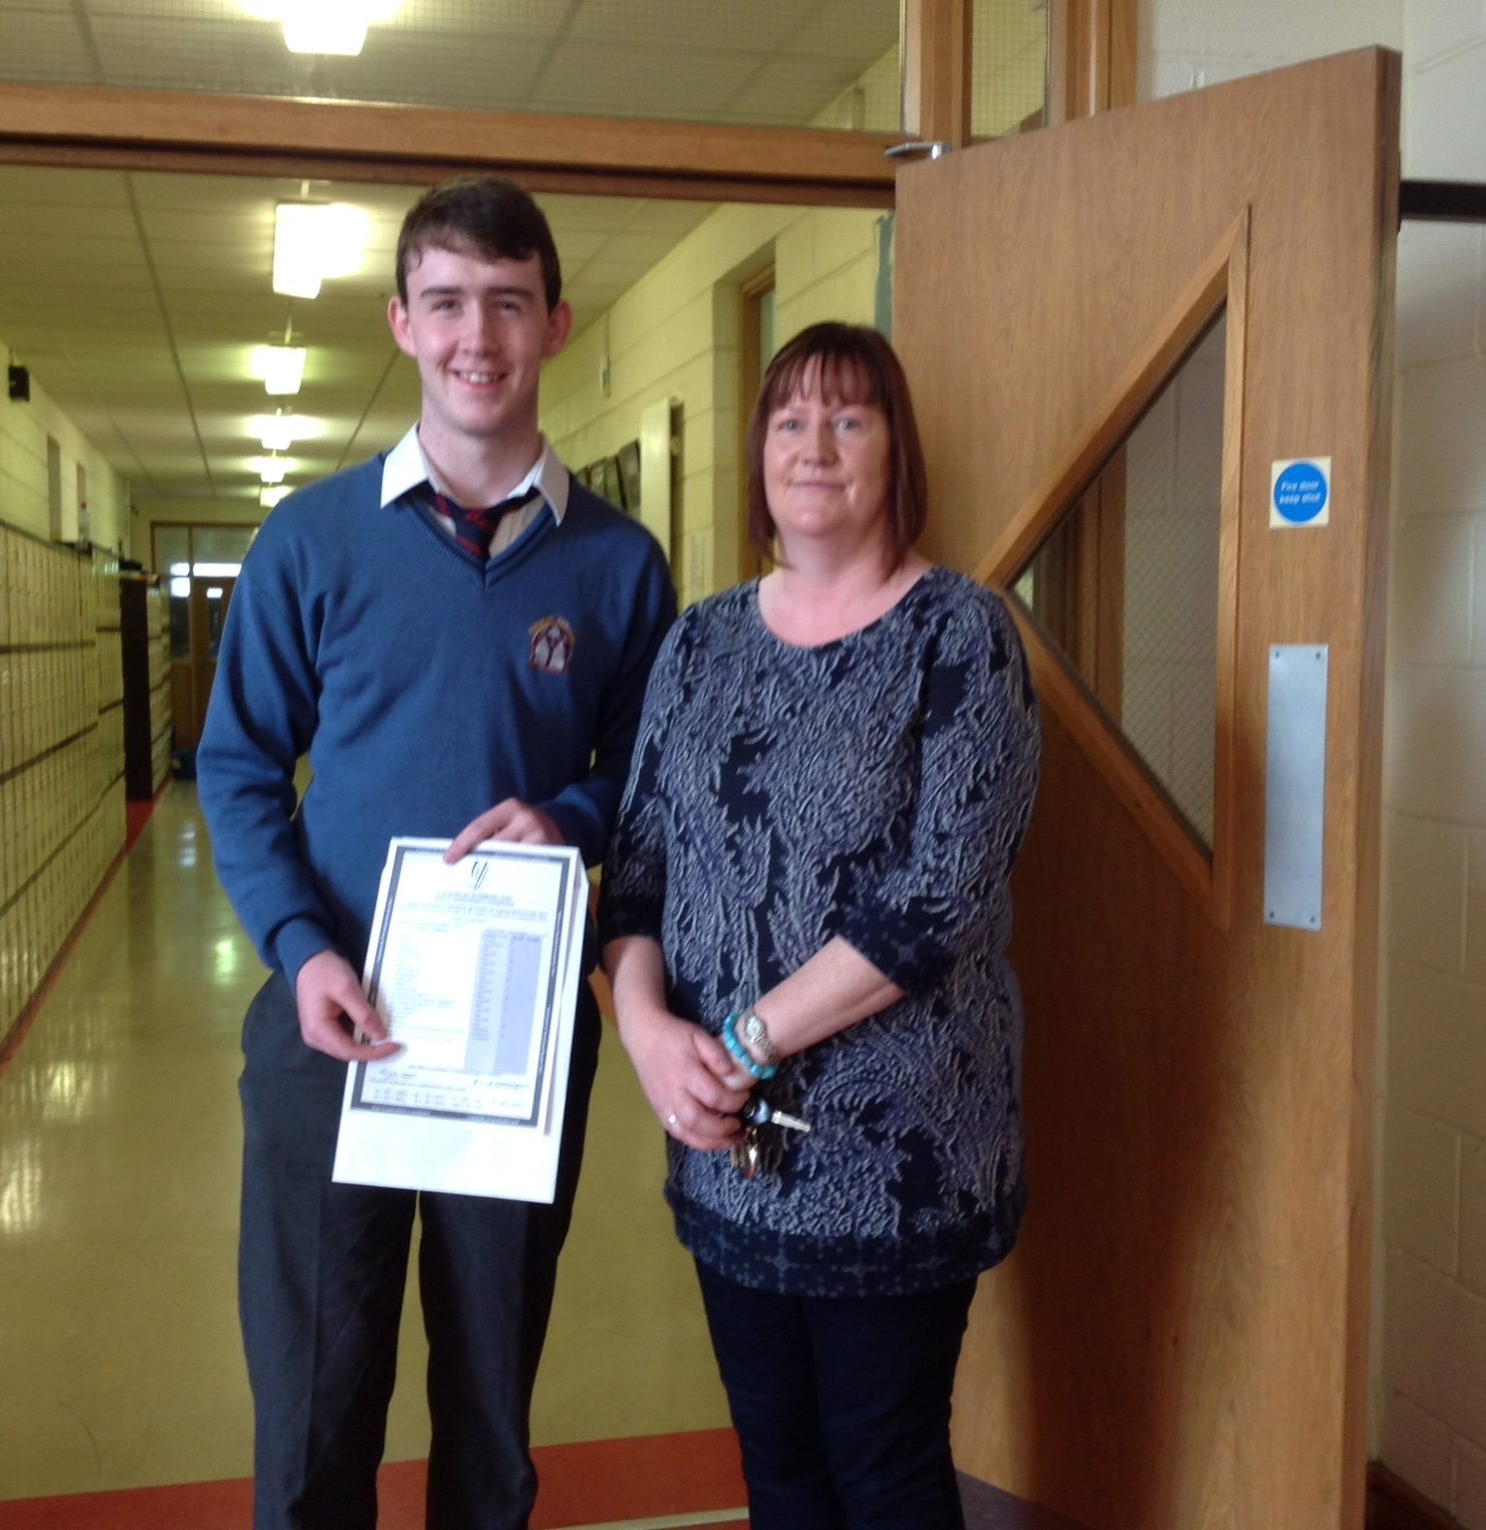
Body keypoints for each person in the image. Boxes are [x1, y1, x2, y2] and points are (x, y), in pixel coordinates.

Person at [197, 176, 678, 1530]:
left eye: (509, 304)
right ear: (402, 321)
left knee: (489, 1412)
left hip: (512, 1039)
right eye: (449, 302)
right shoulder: (311, 540)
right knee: (313, 1409)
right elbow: (238, 767)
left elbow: (651, 782)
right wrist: (301, 951)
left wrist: (570, 816)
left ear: (556, 324)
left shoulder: (618, 566)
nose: (479, 337)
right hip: (330, 1023)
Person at [600, 321, 1041, 1527]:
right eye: (789, 420)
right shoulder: (698, 642)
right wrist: (646, 1031)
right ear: (756, 453)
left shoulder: (958, 635)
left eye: (849, 419)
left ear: (896, 450)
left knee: (884, 1471)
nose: (815, 447)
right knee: (778, 1469)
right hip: (725, 1144)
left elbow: (940, 898)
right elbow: (637, 865)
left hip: (895, 1151)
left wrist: (744, 1042)